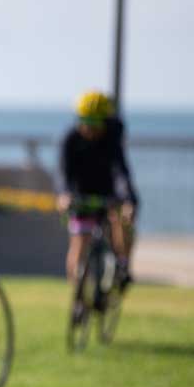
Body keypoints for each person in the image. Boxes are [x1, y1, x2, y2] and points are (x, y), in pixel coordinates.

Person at [56, 90, 139, 289]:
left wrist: (129, 200)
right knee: (79, 243)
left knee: (123, 220)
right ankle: (78, 294)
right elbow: (63, 173)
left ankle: (123, 266)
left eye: (95, 124)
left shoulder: (112, 139)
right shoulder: (70, 140)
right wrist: (65, 194)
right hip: (80, 194)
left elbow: (121, 171)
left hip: (108, 192)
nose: (90, 129)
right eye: (85, 122)